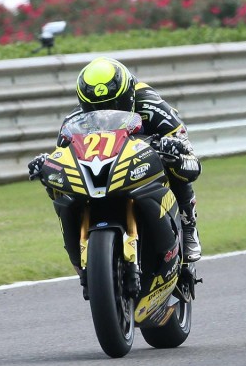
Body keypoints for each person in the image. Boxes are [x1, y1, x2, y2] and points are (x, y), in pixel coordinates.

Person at [28, 57, 203, 276]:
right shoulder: (74, 119)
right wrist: (47, 164)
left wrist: (173, 150)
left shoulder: (153, 106)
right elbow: (63, 156)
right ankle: (77, 251)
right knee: (60, 187)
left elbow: (192, 162)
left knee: (177, 165)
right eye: (95, 107)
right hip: (106, 165)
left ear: (127, 94)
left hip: (145, 155)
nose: (104, 112)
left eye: (113, 104)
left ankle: (188, 226)